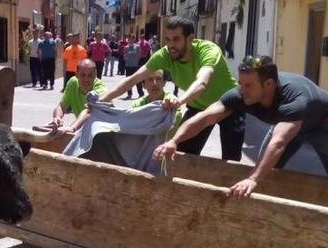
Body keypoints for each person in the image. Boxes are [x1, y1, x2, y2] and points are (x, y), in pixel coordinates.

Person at [154, 56, 328, 197]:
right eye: (240, 83)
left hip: (325, 125)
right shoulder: (241, 94)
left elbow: (278, 142)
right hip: (285, 124)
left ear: (268, 85)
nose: (242, 90)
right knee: (266, 170)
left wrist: (253, 178)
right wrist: (174, 141)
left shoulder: (293, 99)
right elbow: (205, 117)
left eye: (248, 85)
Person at [100, 16, 245, 161]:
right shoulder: (165, 55)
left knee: (231, 159)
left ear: (190, 39)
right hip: (198, 107)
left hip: (229, 106)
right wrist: (102, 100)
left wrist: (179, 100)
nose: (170, 45)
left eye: (176, 39)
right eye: (168, 39)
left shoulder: (208, 50)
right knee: (181, 154)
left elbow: (201, 82)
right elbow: (133, 79)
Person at [47, 58, 108, 132]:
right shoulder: (72, 83)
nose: (86, 79)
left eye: (90, 75)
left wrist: (71, 127)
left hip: (104, 133)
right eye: (83, 75)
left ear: (95, 74)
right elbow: (61, 106)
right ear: (76, 74)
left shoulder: (101, 90)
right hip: (85, 130)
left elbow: (88, 112)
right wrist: (57, 117)